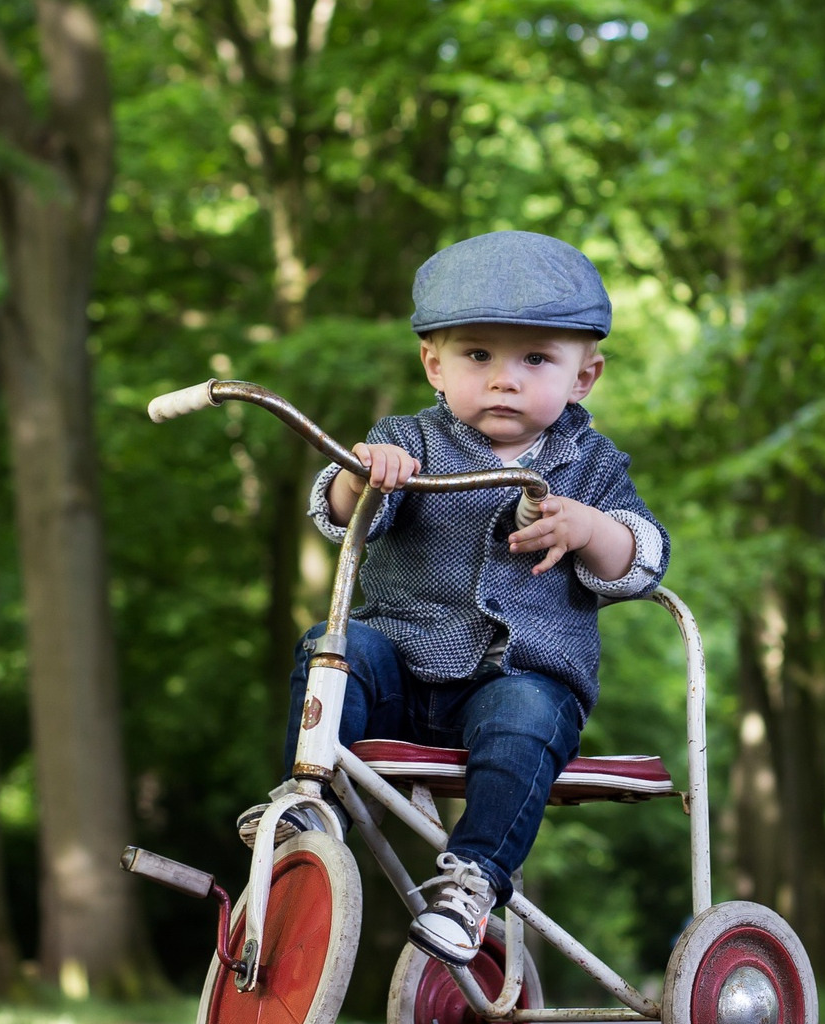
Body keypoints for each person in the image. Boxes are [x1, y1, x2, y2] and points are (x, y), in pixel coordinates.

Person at [241, 230, 669, 967]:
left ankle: (472, 880)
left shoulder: (591, 464)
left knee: (530, 710)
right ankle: (309, 805)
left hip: (517, 682)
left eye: (535, 358)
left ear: (583, 377)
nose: (505, 379)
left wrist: (591, 528)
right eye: (478, 355)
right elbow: (337, 513)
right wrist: (365, 476)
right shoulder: (407, 442)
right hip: (401, 675)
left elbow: (645, 556)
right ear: (433, 365)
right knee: (334, 645)